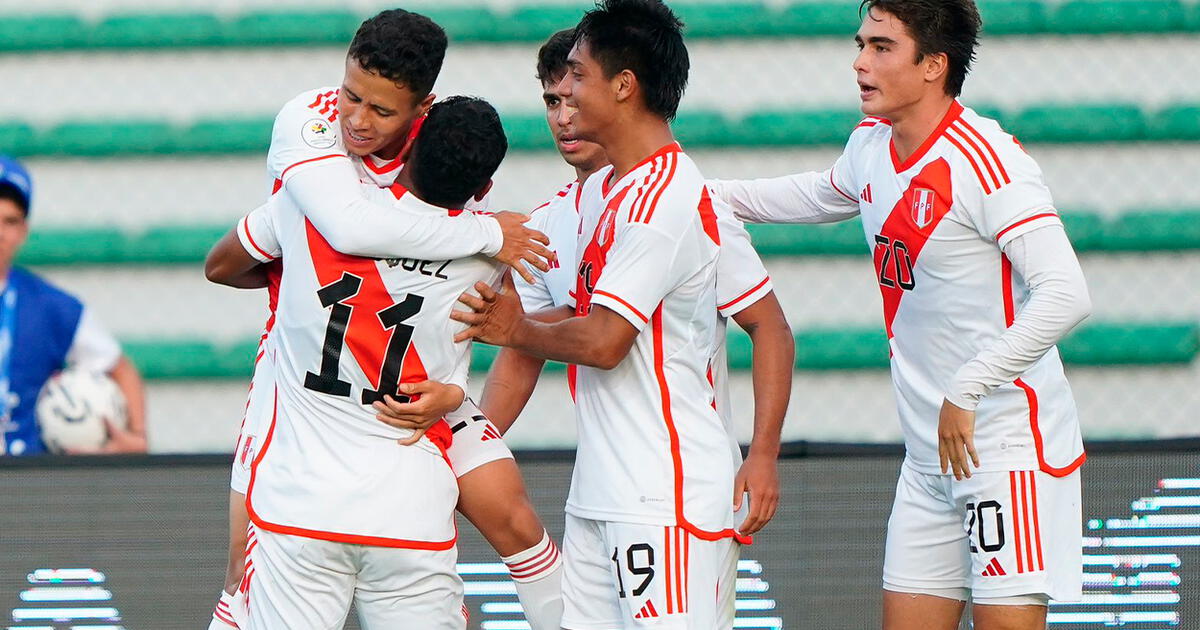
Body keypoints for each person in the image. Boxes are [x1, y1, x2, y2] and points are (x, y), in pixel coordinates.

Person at [705, 1, 1091, 628]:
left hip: (1006, 447)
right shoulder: (870, 147)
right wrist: (687, 190)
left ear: (934, 65)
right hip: (928, 456)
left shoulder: (987, 161)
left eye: (882, 47)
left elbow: (1066, 293)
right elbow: (817, 194)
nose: (860, 62)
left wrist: (969, 385)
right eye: (861, 44)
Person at [204, 11, 562, 629]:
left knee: (515, 520)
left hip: (344, 440)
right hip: (372, 448)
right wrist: (484, 235)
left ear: (422, 111)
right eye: (351, 96)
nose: (356, 120)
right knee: (516, 525)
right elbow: (351, 225)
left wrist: (452, 396)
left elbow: (231, 260)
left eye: (381, 110)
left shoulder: (328, 196)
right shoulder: (312, 130)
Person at [451, 1, 775, 625]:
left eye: (576, 76)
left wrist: (762, 454)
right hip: (601, 490)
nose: (566, 99)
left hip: (665, 496)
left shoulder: (672, 198)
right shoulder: (595, 198)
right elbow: (533, 342)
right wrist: (467, 442)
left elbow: (604, 341)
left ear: (623, 86)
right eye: (555, 92)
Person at [0, 155, 147, 456]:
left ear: (23, 231)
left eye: (10, 221)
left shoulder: (49, 306)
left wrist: (136, 438)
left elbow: (120, 368)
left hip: (28, 478)